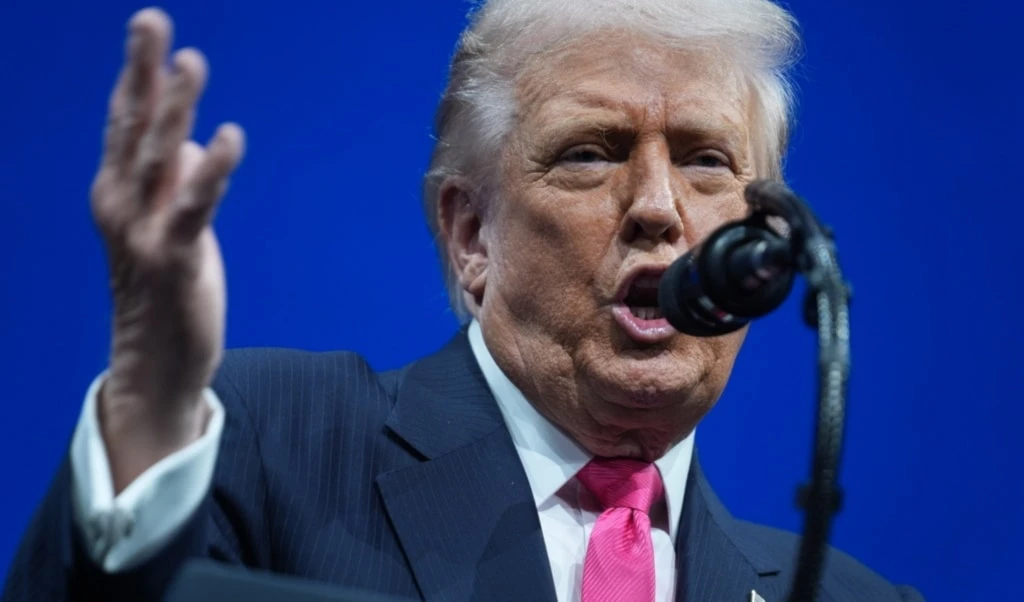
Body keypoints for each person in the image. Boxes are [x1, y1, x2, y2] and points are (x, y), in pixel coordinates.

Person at [2, 1, 924, 601]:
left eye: (706, 160)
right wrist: (150, 403)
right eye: (590, 153)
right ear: (470, 235)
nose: (657, 207)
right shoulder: (268, 445)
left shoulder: (849, 596)